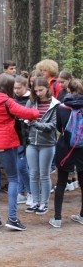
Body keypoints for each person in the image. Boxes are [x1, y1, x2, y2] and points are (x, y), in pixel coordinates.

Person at [0, 73, 39, 231]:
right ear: (9, 87)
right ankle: (12, 219)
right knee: (13, 179)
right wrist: (38, 112)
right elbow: (27, 113)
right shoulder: (7, 102)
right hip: (4, 145)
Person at [49, 79, 83, 228]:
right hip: (82, 149)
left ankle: (57, 218)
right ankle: (82, 216)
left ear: (68, 90)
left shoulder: (61, 107)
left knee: (61, 183)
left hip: (65, 148)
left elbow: (58, 128)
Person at [25, 77, 60, 215]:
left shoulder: (55, 104)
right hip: (32, 142)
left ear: (47, 88)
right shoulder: (31, 102)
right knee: (33, 174)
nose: (38, 93)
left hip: (47, 144)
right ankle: (35, 201)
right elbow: (24, 116)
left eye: (41, 90)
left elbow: (53, 125)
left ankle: (44, 203)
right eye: (36, 90)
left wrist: (35, 124)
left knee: (44, 174)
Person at [13, 76, 33, 206]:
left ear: (25, 86)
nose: (16, 90)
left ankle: (31, 193)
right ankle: (21, 193)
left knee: (23, 167)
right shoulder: (13, 99)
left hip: (28, 138)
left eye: (19, 88)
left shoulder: (31, 99)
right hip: (15, 136)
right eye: (14, 88)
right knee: (19, 167)